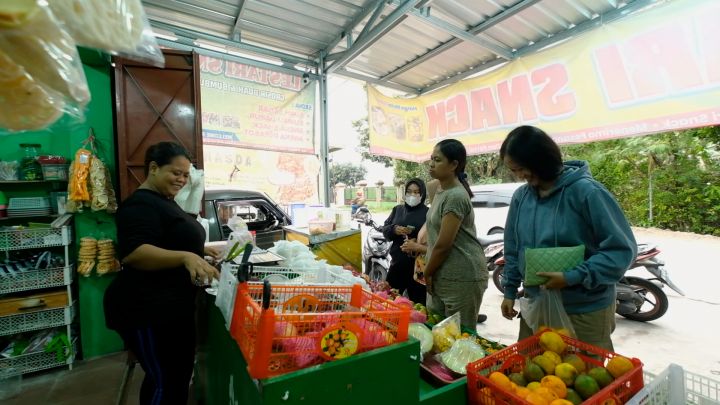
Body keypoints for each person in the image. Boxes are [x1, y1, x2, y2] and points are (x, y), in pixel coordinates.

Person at [499, 126, 637, 351]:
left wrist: (572, 276)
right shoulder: (521, 197)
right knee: (532, 366)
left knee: (585, 370)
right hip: (536, 303)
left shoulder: (588, 193)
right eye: (514, 170)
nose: (519, 176)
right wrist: (510, 290)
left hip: (584, 310)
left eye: (522, 168)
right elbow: (513, 247)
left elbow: (621, 251)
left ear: (541, 161)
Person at [104, 142, 221, 405]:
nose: (182, 180)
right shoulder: (139, 204)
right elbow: (135, 252)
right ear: (154, 168)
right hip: (147, 309)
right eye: (176, 173)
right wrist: (186, 256)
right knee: (166, 381)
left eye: (186, 175)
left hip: (172, 307)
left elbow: (166, 238)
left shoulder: (164, 201)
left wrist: (199, 250)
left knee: (175, 377)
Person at [420, 139, 488, 330]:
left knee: (459, 338)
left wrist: (427, 272)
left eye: (437, 160)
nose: (431, 164)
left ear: (454, 165)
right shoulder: (439, 189)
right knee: (435, 333)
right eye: (431, 159)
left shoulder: (455, 196)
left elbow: (443, 244)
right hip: (440, 273)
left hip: (462, 276)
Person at [382, 178, 428, 304]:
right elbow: (385, 229)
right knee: (389, 301)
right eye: (409, 191)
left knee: (419, 305)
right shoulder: (398, 210)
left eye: (416, 192)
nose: (412, 195)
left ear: (422, 194)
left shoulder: (428, 213)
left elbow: (433, 240)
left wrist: (416, 243)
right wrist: (394, 229)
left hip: (418, 268)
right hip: (398, 265)